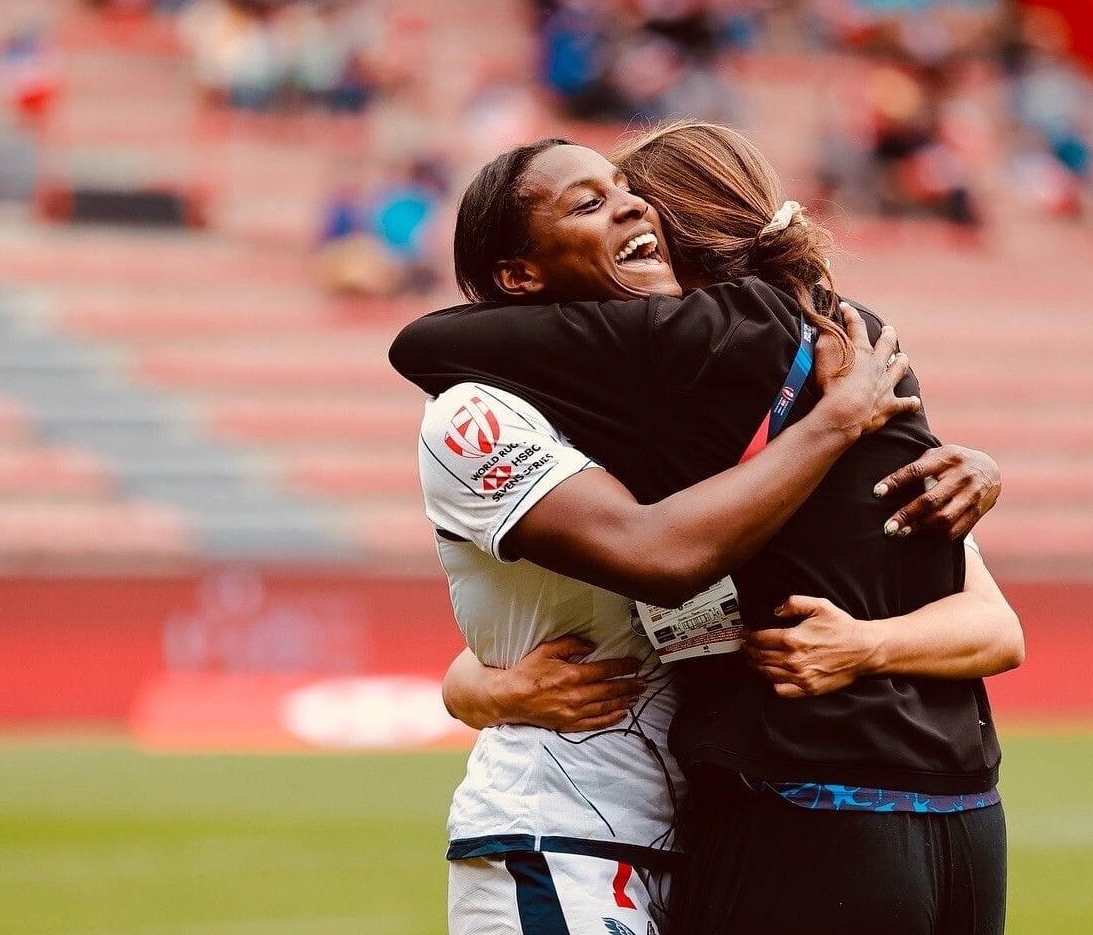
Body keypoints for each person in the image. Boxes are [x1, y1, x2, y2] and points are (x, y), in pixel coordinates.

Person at [391, 124, 1020, 935]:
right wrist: (478, 685)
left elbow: (995, 622)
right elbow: (640, 565)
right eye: (594, 202)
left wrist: (869, 638)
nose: (627, 210)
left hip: (716, 826)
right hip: (573, 830)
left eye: (631, 195)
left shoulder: (701, 405)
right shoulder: (482, 409)